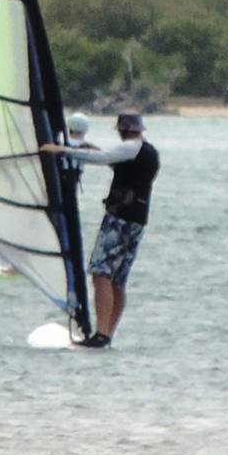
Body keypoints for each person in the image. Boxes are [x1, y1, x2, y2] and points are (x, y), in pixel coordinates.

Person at [42, 113, 159, 349]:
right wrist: (88, 148)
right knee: (117, 281)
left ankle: (102, 334)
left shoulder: (130, 147)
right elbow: (114, 160)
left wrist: (61, 150)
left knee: (101, 273)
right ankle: (107, 334)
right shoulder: (149, 152)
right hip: (137, 221)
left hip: (120, 220)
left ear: (123, 130)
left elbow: (102, 157)